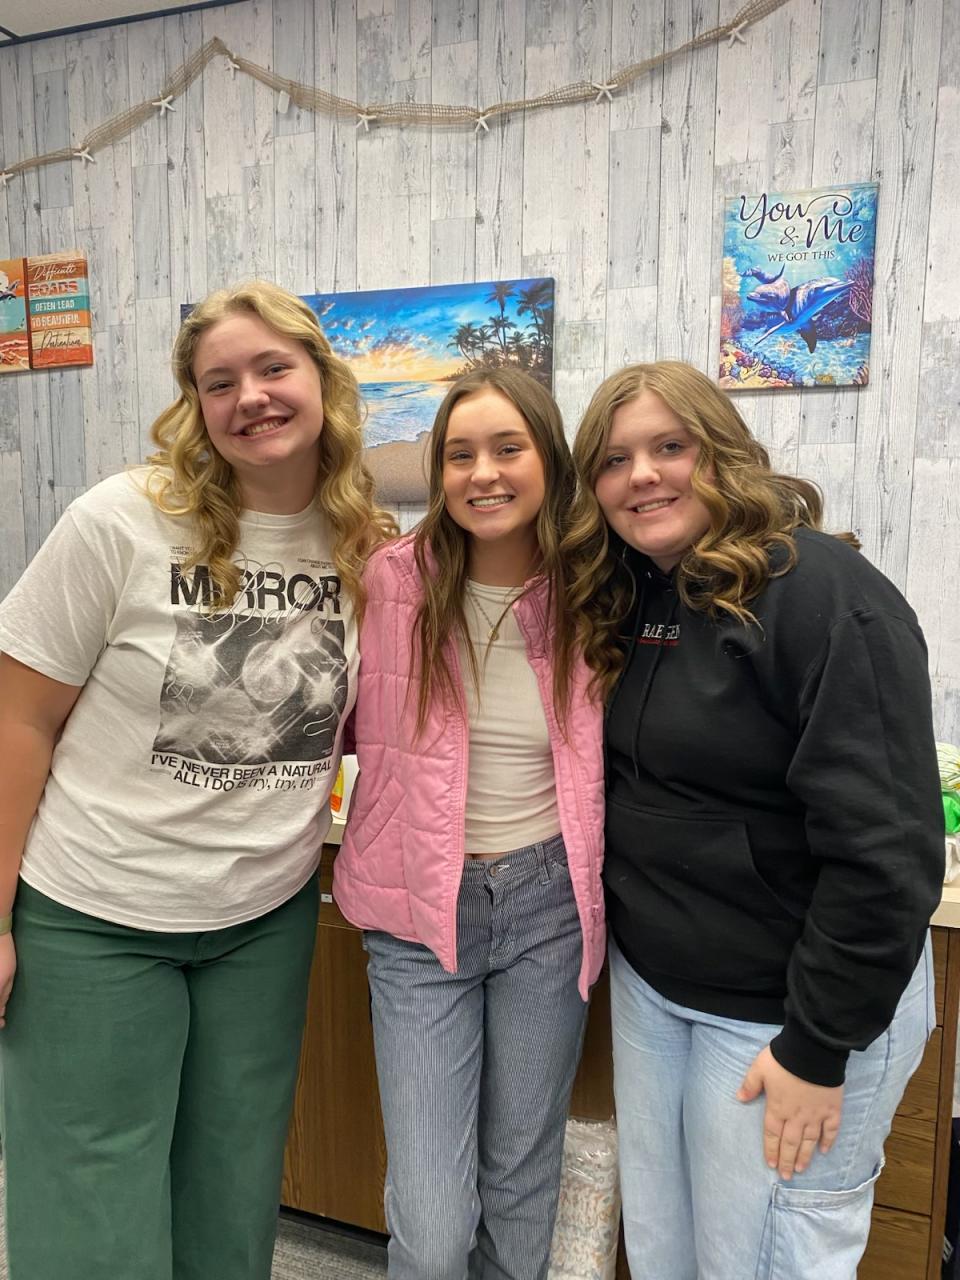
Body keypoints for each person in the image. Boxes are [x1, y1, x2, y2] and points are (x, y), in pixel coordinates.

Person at [0, 281, 395, 1280]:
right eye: (219, 382)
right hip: (96, 910)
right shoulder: (121, 520)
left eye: (273, 368)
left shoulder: (367, 544)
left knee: (231, 1182)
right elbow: (18, 719)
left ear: (322, 381)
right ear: (195, 404)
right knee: (93, 1197)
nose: (249, 396)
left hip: (261, 916)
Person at [566, 360, 944, 1280]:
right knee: (664, 1252)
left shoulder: (823, 593)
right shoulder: (638, 591)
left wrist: (817, 1049)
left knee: (765, 1259)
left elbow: (887, 853)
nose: (641, 475)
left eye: (670, 446)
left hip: (787, 1010)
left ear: (723, 451)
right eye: (613, 460)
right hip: (661, 988)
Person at [333, 367, 605, 1279]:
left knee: (521, 1186)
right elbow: (325, 717)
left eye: (507, 448)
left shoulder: (594, 587)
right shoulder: (390, 581)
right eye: (459, 454)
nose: (482, 473)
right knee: (435, 1220)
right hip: (416, 912)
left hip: (547, 907)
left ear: (549, 459)